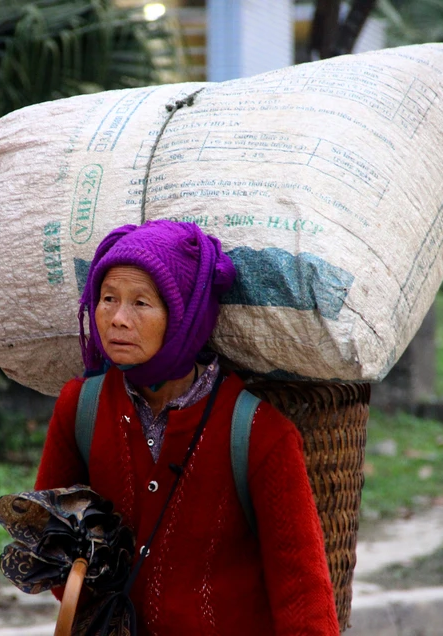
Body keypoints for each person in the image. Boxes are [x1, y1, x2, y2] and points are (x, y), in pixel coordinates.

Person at [35, 220, 340, 634]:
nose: (118, 318)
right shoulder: (80, 408)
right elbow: (45, 542)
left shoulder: (257, 433)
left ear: (184, 317)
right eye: (107, 298)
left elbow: (302, 592)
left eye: (141, 303)